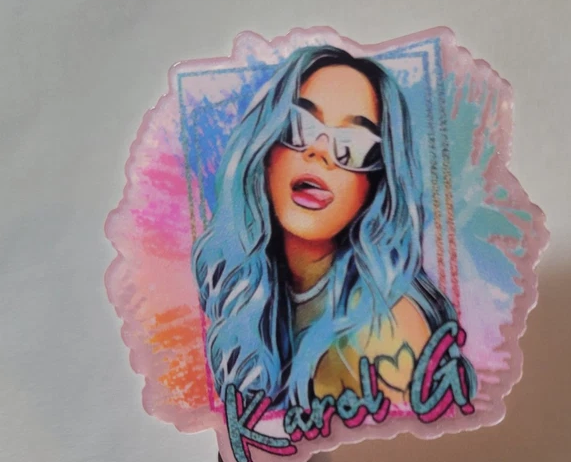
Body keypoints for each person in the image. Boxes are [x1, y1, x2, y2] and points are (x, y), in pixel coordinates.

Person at [192, 45, 474, 409]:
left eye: (353, 144)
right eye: (300, 125)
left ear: (376, 184)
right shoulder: (260, 289)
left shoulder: (383, 330)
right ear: (266, 149)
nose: (321, 152)